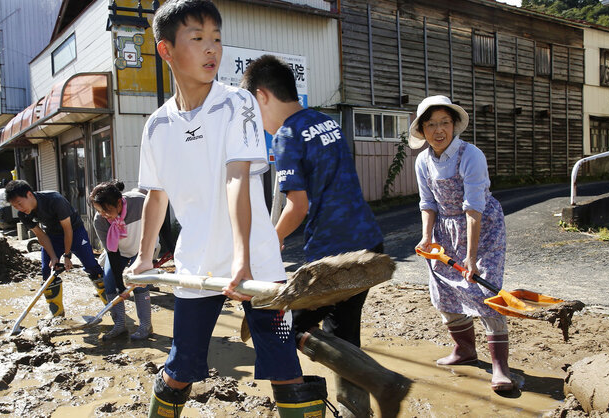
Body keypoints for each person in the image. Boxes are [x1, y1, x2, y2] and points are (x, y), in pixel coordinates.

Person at [129, 1, 328, 416]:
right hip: (196, 262)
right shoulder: (156, 126)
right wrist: (144, 258)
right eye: (197, 39)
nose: (211, 49)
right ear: (166, 51)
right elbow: (156, 195)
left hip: (255, 259)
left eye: (216, 39)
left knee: (283, 367)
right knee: (180, 366)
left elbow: (238, 177)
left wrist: (243, 259)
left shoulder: (237, 103)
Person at [242, 54, 409, 417]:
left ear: (262, 96)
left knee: (296, 327)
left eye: (255, 112)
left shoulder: (286, 136)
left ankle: (384, 382)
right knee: (344, 334)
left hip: (333, 255)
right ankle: (358, 411)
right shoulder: (324, 121)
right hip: (368, 243)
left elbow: (297, 207)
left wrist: (270, 240)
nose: (261, 123)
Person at [411, 95, 514, 392]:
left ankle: (500, 367)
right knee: (443, 290)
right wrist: (427, 237)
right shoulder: (422, 160)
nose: (438, 130)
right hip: (445, 231)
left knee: (485, 292)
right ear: (422, 130)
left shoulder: (471, 155)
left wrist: (470, 257)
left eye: (444, 122)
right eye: (431, 124)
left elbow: (473, 208)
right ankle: (465, 351)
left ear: (454, 125)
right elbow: (428, 203)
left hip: (482, 227)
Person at [5, 180, 106, 317]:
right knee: (47, 271)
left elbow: (68, 229)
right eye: (14, 206)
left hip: (75, 232)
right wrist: (53, 257)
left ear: (29, 194)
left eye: (19, 203)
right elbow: (41, 236)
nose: (19, 208)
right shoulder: (23, 215)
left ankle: (112, 305)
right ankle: (56, 313)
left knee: (91, 267)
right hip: (52, 235)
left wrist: (67, 255)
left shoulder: (54, 199)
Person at [90, 180, 154, 341]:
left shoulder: (139, 203)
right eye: (100, 211)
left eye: (107, 210)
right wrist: (120, 285)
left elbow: (158, 220)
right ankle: (119, 325)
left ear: (119, 202)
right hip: (118, 251)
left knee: (139, 283)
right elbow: (113, 254)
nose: (104, 214)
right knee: (110, 282)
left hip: (141, 249)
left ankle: (146, 325)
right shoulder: (100, 221)